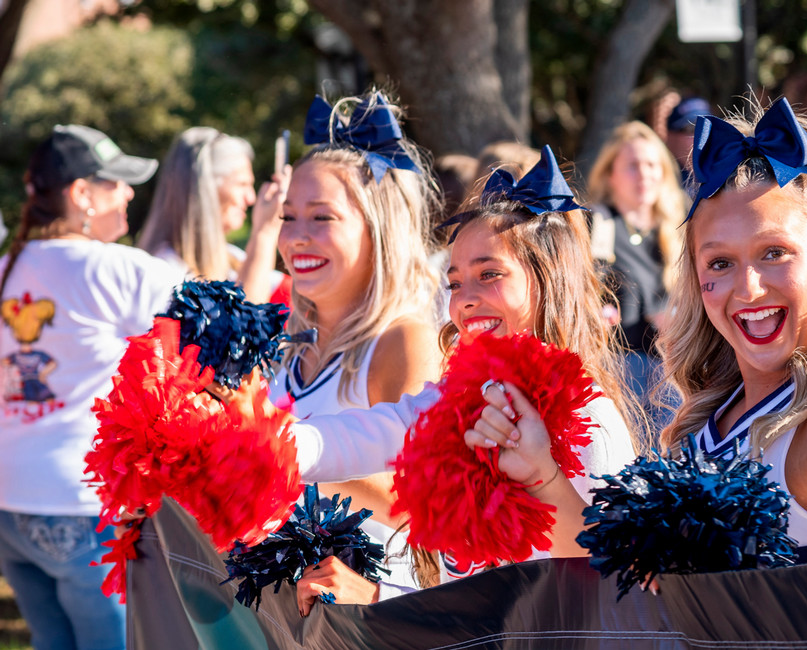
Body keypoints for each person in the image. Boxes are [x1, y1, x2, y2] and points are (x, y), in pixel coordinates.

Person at [475, 98, 807, 564]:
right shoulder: (704, 422)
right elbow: (632, 575)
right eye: (720, 263)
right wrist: (540, 472)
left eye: (775, 253)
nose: (748, 289)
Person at [283, 147, 639, 613]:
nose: (465, 300)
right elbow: (356, 437)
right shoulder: (452, 405)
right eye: (454, 283)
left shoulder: (590, 417)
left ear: (548, 281)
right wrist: (261, 441)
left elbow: (621, 584)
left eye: (489, 275)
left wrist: (542, 476)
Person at [0, 125, 179, 650]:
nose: (128, 193)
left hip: (10, 501)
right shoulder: (116, 268)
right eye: (117, 182)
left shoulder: (7, 268)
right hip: (79, 505)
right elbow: (213, 332)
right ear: (81, 194)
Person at [265, 93, 447, 604]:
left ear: (378, 228)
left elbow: (418, 508)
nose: (296, 238)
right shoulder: (284, 341)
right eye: (287, 217)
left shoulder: (403, 341)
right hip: (282, 605)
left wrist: (269, 451)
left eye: (321, 218)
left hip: (369, 610)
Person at [583, 121, 687, 431]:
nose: (644, 174)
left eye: (652, 165)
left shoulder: (678, 229)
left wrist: (677, 317)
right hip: (614, 370)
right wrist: (594, 311)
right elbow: (574, 291)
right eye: (632, 166)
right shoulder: (595, 224)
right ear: (609, 175)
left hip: (670, 372)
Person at [136, 127, 291, 303]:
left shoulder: (233, 258)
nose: (251, 198)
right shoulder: (165, 271)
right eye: (242, 184)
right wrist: (265, 233)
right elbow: (245, 323)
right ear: (206, 189)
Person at [663, 97, 712, 185]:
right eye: (692, 128)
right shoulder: (657, 179)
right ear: (671, 137)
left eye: (706, 127)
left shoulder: (727, 176)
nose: (702, 135)